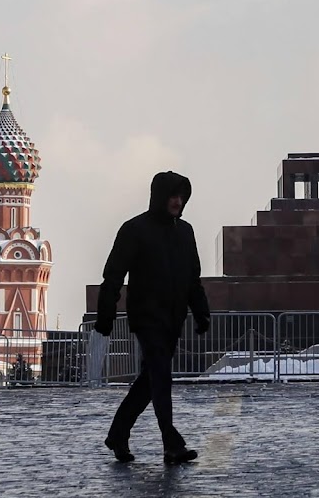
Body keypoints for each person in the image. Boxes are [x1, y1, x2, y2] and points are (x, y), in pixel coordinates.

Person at [95, 171, 211, 465]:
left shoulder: (185, 232)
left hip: (173, 318)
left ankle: (118, 434)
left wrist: (201, 312)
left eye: (181, 195)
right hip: (147, 317)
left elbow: (192, 278)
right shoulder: (135, 229)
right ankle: (171, 442)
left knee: (150, 381)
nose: (178, 201)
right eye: (172, 195)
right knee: (161, 377)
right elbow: (113, 275)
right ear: (160, 197)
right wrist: (105, 315)